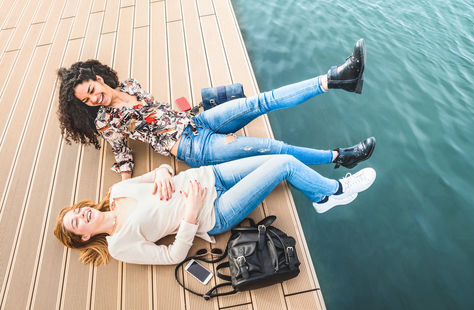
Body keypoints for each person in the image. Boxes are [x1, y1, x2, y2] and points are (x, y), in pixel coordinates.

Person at [56, 39, 376, 190]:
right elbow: (123, 155)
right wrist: (123, 190)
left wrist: (192, 110)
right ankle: (340, 157)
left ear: (97, 78)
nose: (95, 98)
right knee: (275, 150)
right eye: (88, 100)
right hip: (195, 148)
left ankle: (337, 79)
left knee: (260, 101)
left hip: (198, 122)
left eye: (92, 90)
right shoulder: (105, 121)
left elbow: (159, 111)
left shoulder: (129, 85)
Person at [54, 155, 376, 265]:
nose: (82, 214)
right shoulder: (120, 246)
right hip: (214, 211)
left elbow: (159, 172)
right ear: (83, 237)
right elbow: (171, 256)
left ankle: (321, 198)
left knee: (271, 157)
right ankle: (335, 192)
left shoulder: (117, 191)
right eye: (76, 223)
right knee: (284, 164)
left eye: (77, 211)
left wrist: (165, 171)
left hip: (210, 175)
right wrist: (190, 215)